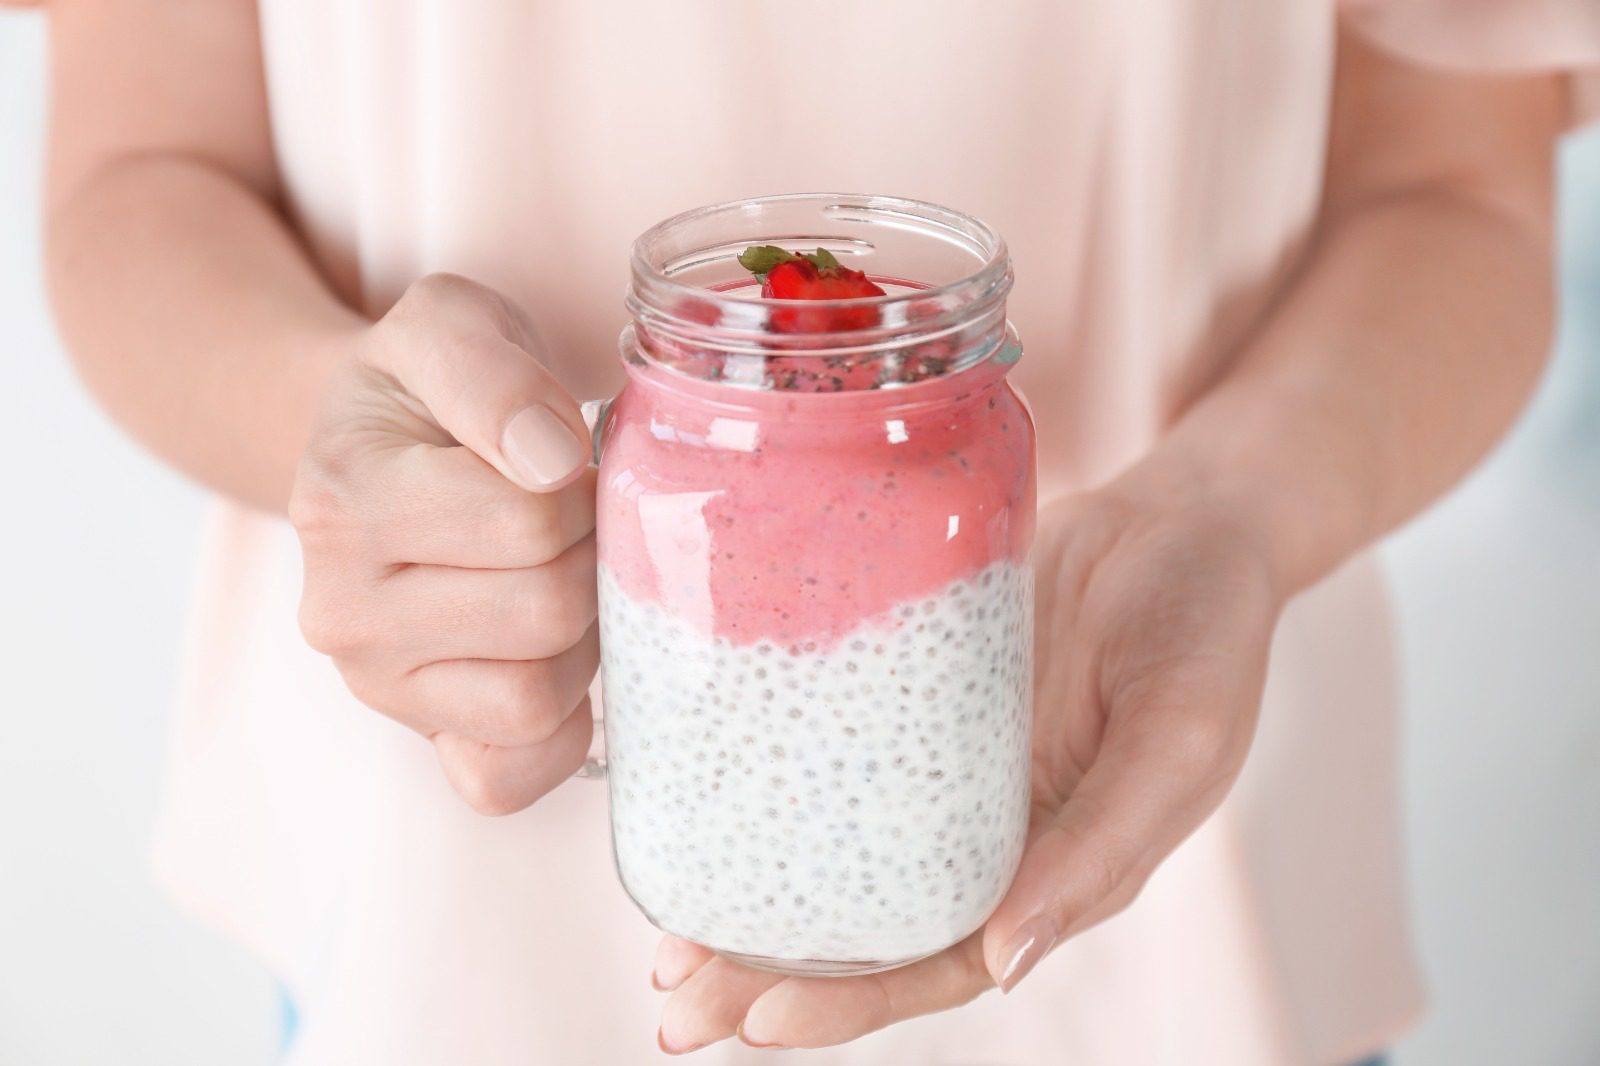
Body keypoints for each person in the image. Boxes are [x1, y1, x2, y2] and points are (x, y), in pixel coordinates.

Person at [28, 0, 1598, 1062]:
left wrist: (1234, 506)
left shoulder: (994, 430)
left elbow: (1450, 191)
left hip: (1177, 857)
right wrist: (330, 418)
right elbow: (143, 165)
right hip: (430, 895)